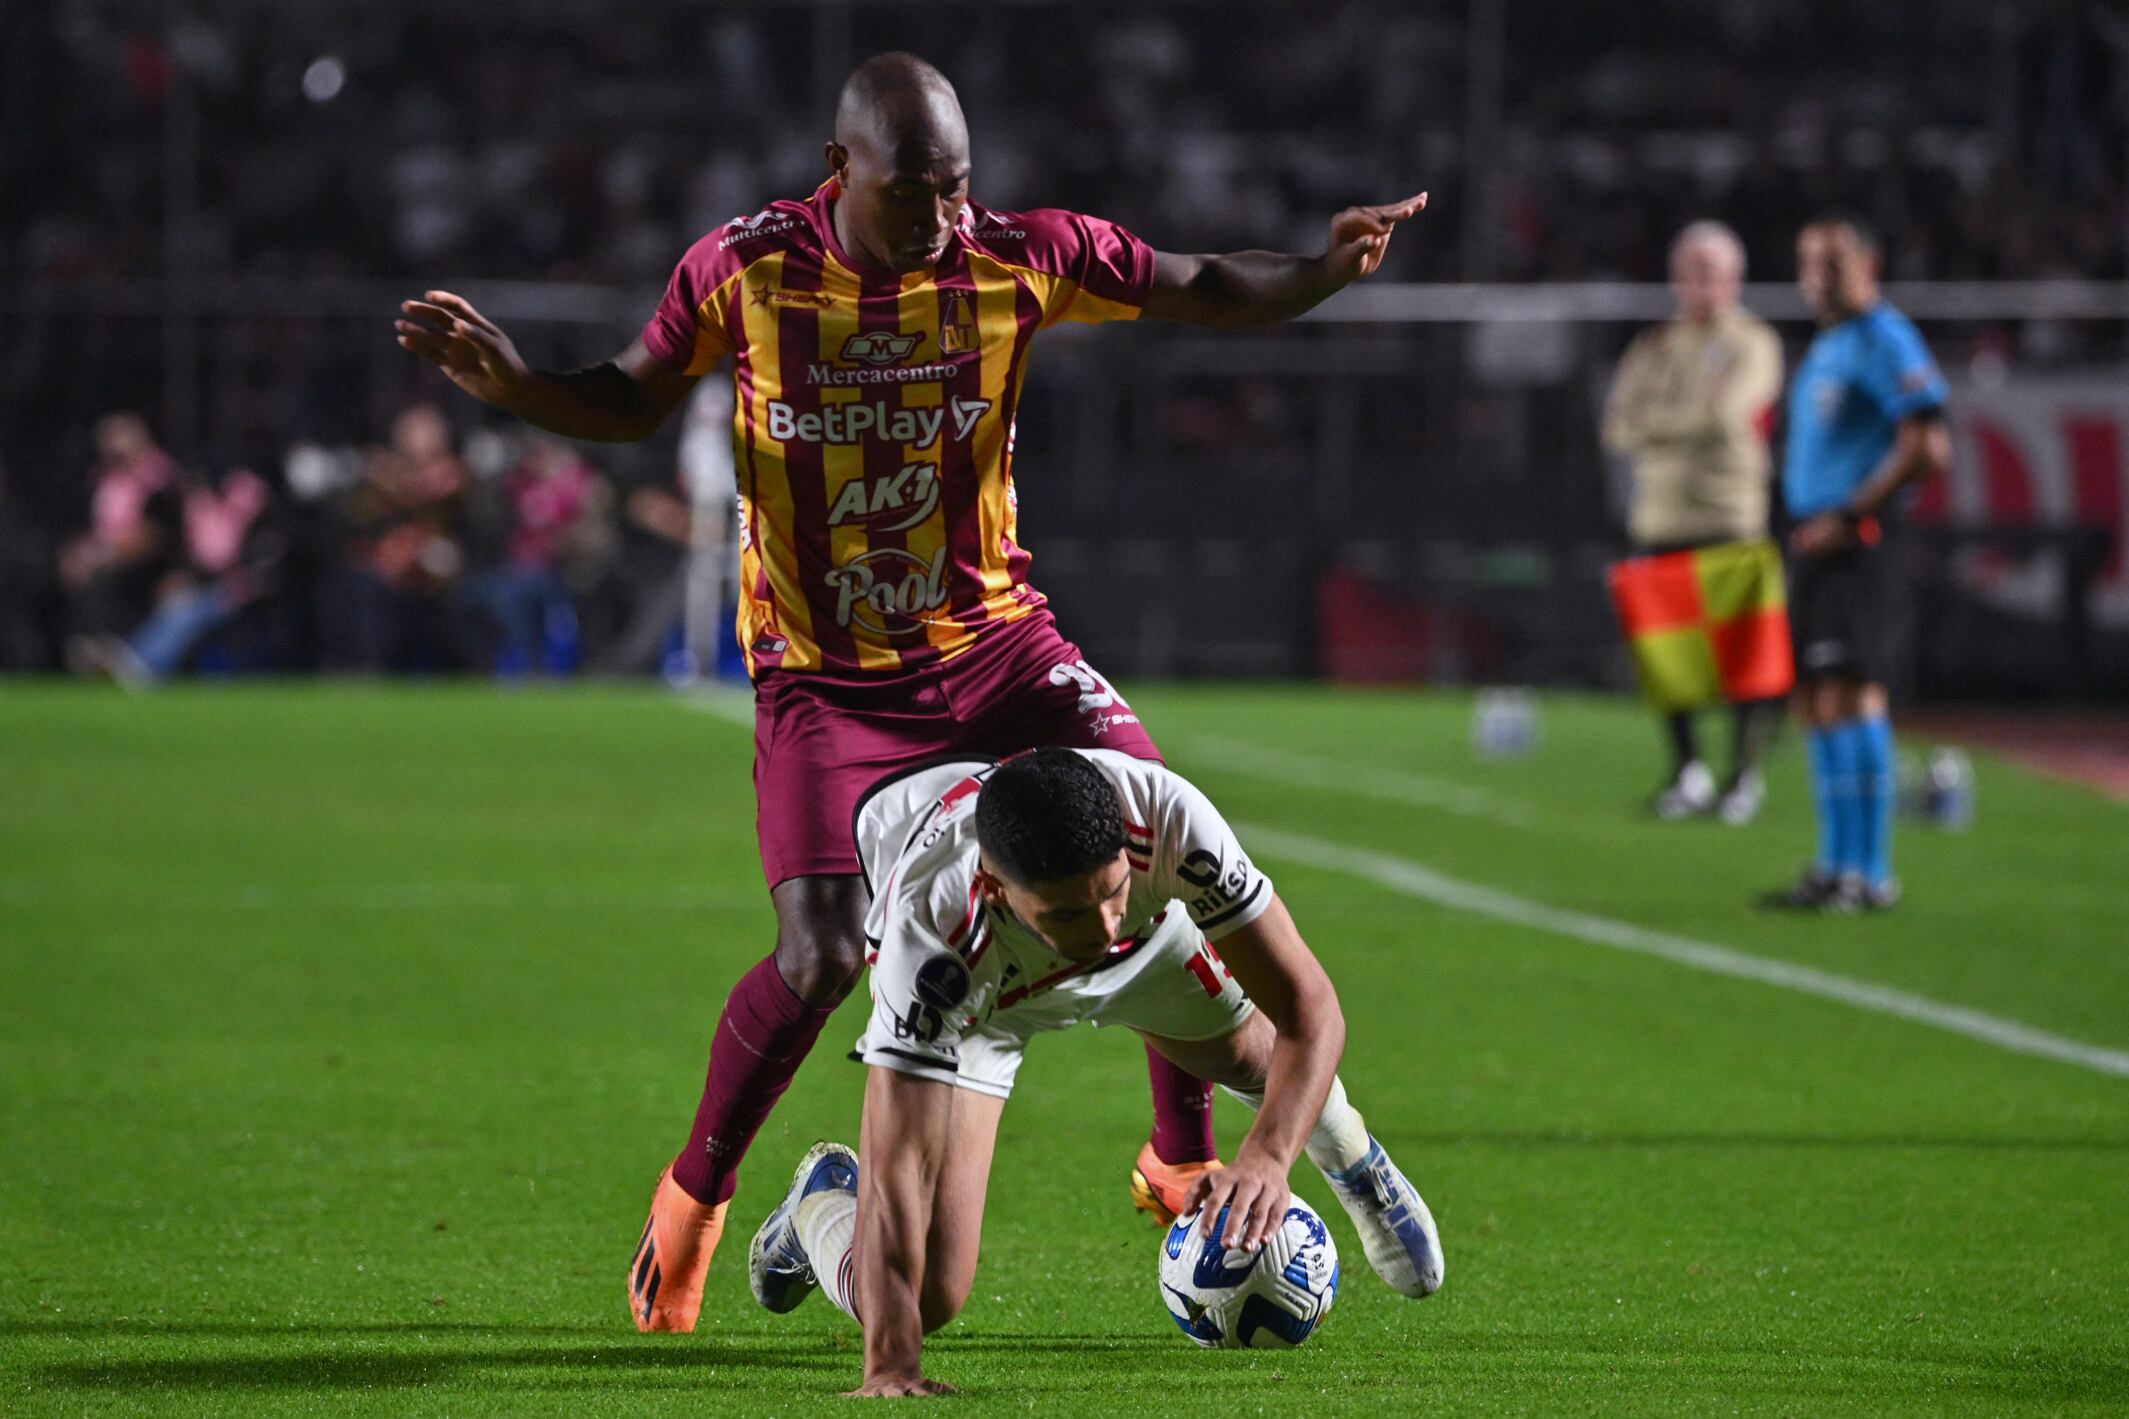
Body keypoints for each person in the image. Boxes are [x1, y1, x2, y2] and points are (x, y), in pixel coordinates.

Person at [395, 50, 1427, 1333]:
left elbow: (1194, 285)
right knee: (822, 955)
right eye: (915, 192)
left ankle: (1179, 1160)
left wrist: (1321, 272)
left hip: (996, 641)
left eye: (956, 187)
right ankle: (696, 1196)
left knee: (1146, 835)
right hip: (825, 678)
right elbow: (630, 395)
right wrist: (521, 389)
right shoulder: (748, 267)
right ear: (841, 171)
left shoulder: (1010, 257)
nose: (942, 216)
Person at [742, 747, 1444, 1396]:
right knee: (925, 1300)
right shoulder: (927, 940)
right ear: (993, 885)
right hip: (986, 1005)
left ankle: (1354, 1160)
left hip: (1149, 948)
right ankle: (822, 1202)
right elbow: (901, 1157)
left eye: (1111, 887)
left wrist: (1264, 1155)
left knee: (1263, 1057)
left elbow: (1309, 1008)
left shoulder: (1166, 818)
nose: (1103, 920)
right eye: (1073, 909)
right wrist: (891, 1362)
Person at [1762, 217, 1951, 912]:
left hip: (1854, 541)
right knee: (1815, 698)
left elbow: (1929, 446)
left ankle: (1869, 873)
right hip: (1813, 538)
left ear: (1868, 262)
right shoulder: (1831, 343)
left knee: (1852, 692)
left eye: (1832, 261)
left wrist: (1851, 513)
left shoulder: (1883, 336)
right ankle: (1834, 863)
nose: (1818, 276)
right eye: (1808, 262)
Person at [1603, 222, 1786, 823]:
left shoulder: (1754, 341)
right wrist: (1692, 418)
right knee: (1668, 659)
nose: (1700, 283)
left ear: (1734, 278)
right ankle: (1689, 771)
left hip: (1731, 515)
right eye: (1691, 270)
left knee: (1745, 658)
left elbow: (1730, 414)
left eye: (1711, 271)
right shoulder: (1654, 344)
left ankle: (1743, 777)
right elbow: (1617, 425)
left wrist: (1661, 423)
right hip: (1660, 519)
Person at [57, 413, 182, 671]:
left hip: (152, 562)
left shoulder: (159, 478)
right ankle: (90, 649)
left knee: (105, 581)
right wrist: (79, 553)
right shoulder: (101, 479)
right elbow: (91, 526)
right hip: (107, 554)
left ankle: (119, 653)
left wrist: (106, 553)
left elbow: (159, 534)